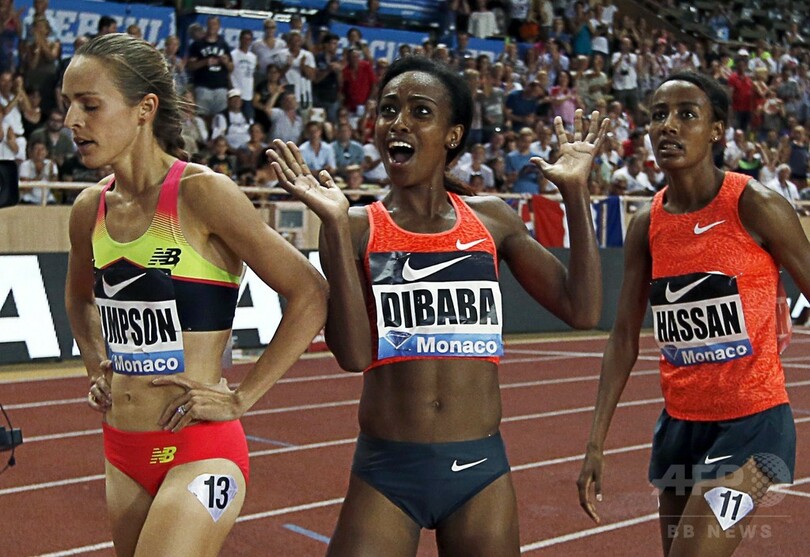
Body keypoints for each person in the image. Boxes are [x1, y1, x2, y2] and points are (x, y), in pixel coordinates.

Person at [268, 55, 607, 557]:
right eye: (388, 110)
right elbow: (354, 356)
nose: (398, 122)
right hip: (387, 471)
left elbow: (583, 310)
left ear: (453, 135)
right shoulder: (356, 225)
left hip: (479, 470)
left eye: (420, 111)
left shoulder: (492, 220)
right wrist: (334, 228)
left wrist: (575, 193)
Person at [62, 33, 327, 556]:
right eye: (67, 104)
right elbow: (78, 299)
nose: (72, 121)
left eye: (89, 105)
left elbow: (311, 292)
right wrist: (96, 366)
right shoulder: (89, 208)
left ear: (145, 109)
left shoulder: (201, 193)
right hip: (122, 449)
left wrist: (243, 397)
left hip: (199, 448)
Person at [577, 72, 800, 557]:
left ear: (717, 130)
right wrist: (595, 441)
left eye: (686, 115)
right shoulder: (647, 223)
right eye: (659, 115)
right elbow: (623, 336)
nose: (668, 126)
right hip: (680, 429)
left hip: (754, 425)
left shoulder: (755, 205)